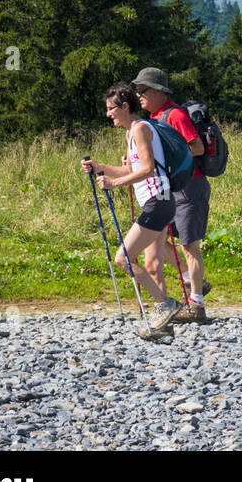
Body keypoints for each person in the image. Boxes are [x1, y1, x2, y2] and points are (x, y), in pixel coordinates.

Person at [81, 83, 182, 337]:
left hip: (158, 200)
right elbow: (131, 171)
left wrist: (113, 184)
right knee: (153, 262)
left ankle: (166, 304)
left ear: (125, 107)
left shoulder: (141, 129)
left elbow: (147, 169)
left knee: (123, 258)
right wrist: (99, 167)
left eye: (111, 109)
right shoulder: (131, 134)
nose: (108, 114)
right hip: (158, 200)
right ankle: (163, 326)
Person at [133, 68, 212, 324]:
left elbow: (197, 147)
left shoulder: (174, 114)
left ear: (157, 91)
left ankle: (196, 305)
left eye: (142, 90)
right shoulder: (154, 117)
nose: (138, 95)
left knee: (189, 245)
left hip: (190, 187)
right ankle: (191, 278)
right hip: (171, 189)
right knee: (155, 239)